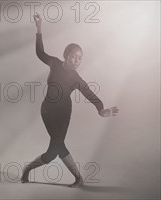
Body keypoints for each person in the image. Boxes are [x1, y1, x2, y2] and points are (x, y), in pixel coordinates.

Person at [21, 13, 119, 188]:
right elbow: (39, 52)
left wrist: (101, 109)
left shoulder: (76, 78)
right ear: (66, 55)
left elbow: (89, 93)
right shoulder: (54, 63)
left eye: (80, 58)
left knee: (54, 150)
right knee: (57, 146)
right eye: (74, 56)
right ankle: (77, 179)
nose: (77, 61)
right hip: (47, 111)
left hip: (64, 113)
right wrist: (39, 30)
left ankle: (28, 169)